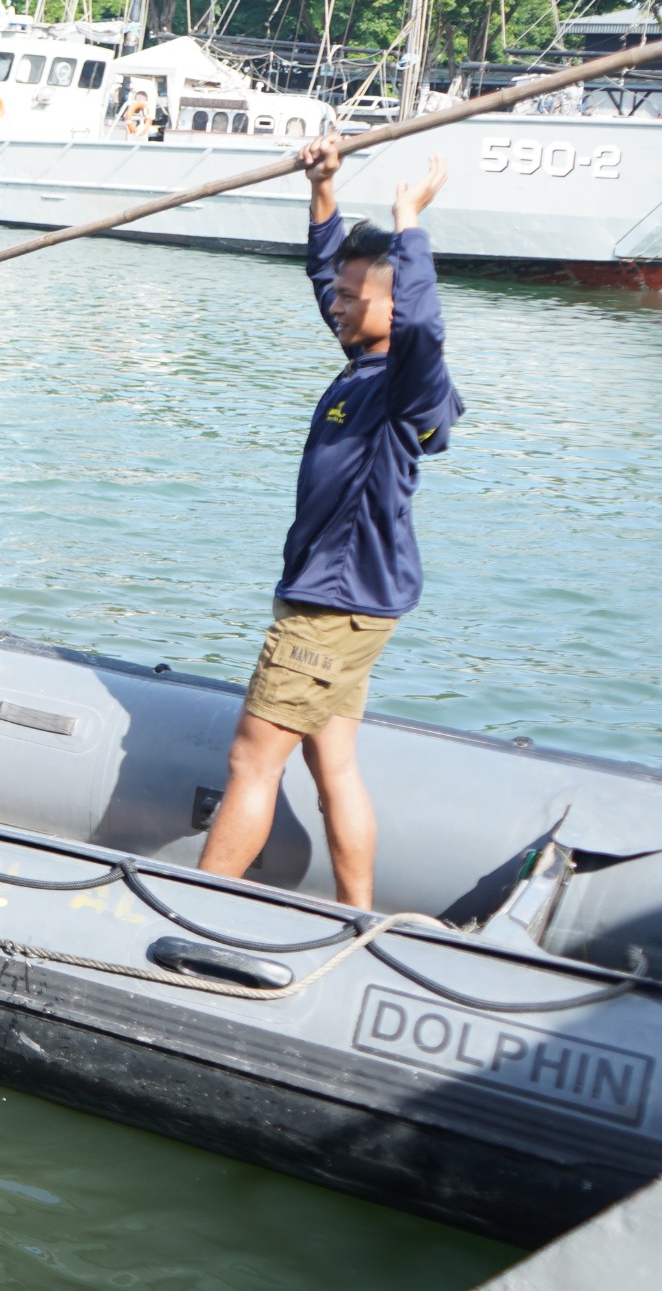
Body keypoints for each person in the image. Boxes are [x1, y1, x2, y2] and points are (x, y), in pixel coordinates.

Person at [197, 141, 461, 910]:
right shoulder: (364, 360)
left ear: (392, 305)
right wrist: (324, 189)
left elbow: (423, 328)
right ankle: (355, 914)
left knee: (253, 762)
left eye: (354, 297)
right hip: (356, 604)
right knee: (333, 764)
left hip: (329, 608)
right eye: (339, 295)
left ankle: (195, 908)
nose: (336, 306)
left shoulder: (407, 384)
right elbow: (330, 277)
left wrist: (409, 225)